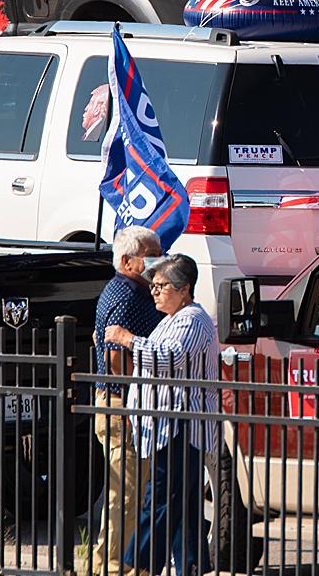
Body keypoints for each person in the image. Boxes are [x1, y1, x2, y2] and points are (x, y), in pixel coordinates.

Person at [105, 254, 219, 576]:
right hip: (166, 424)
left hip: (181, 424)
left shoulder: (193, 319)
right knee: (182, 501)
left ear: (185, 289)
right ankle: (191, 565)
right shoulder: (170, 319)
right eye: (152, 286)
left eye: (162, 286)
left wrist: (126, 339)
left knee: (162, 497)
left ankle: (138, 565)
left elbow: (170, 359)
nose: (154, 292)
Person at [89, 226, 164, 576]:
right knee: (126, 494)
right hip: (123, 405)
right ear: (127, 260)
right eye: (150, 255)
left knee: (133, 492)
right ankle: (112, 565)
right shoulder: (129, 296)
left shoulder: (129, 290)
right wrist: (131, 398)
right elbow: (118, 355)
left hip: (122, 403)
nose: (157, 261)